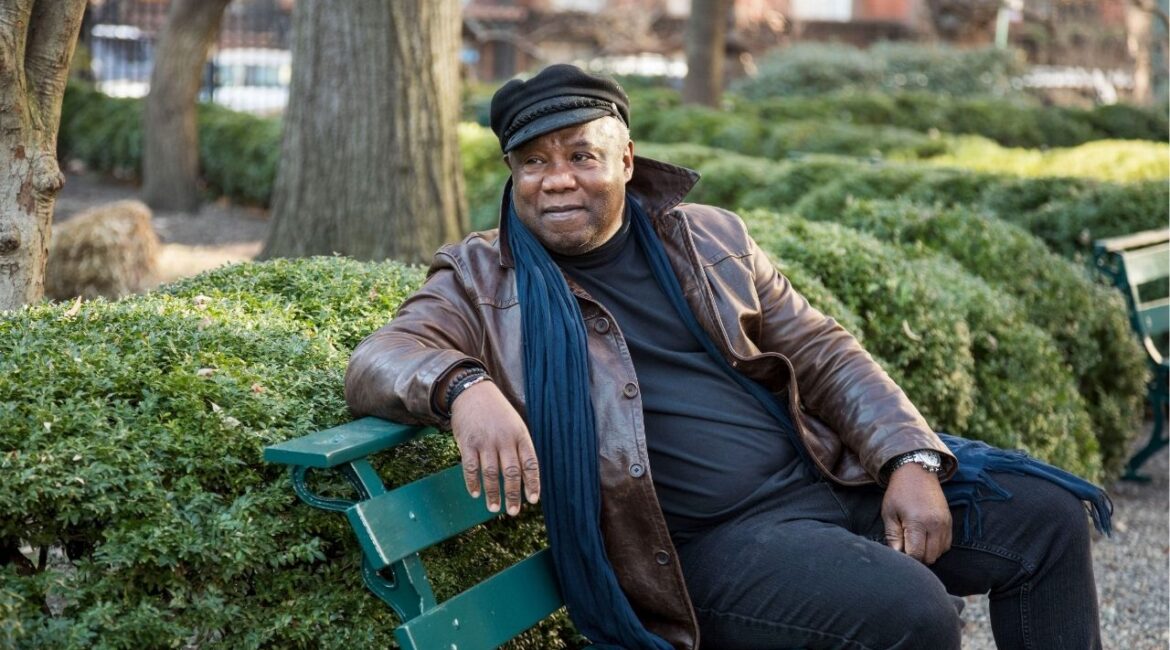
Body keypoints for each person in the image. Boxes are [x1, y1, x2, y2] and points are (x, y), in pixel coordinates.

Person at [344, 64, 1107, 649]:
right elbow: (382, 358)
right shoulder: (482, 277)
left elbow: (822, 349)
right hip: (704, 550)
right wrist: (463, 385)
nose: (559, 180)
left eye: (582, 155)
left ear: (628, 159)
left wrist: (908, 456)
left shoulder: (707, 236)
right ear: (513, 173)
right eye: (535, 163)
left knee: (1043, 520)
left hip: (824, 478)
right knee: (910, 611)